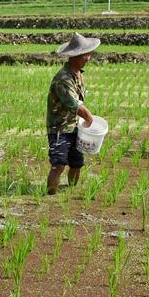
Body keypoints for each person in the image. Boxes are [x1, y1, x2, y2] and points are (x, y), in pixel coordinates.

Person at [46, 32, 99, 195]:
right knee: (59, 164)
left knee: (77, 163)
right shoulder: (63, 79)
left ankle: (69, 193)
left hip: (76, 127)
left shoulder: (78, 74)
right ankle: (50, 195)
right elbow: (75, 105)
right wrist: (91, 120)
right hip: (60, 128)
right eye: (85, 54)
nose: (88, 58)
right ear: (75, 56)